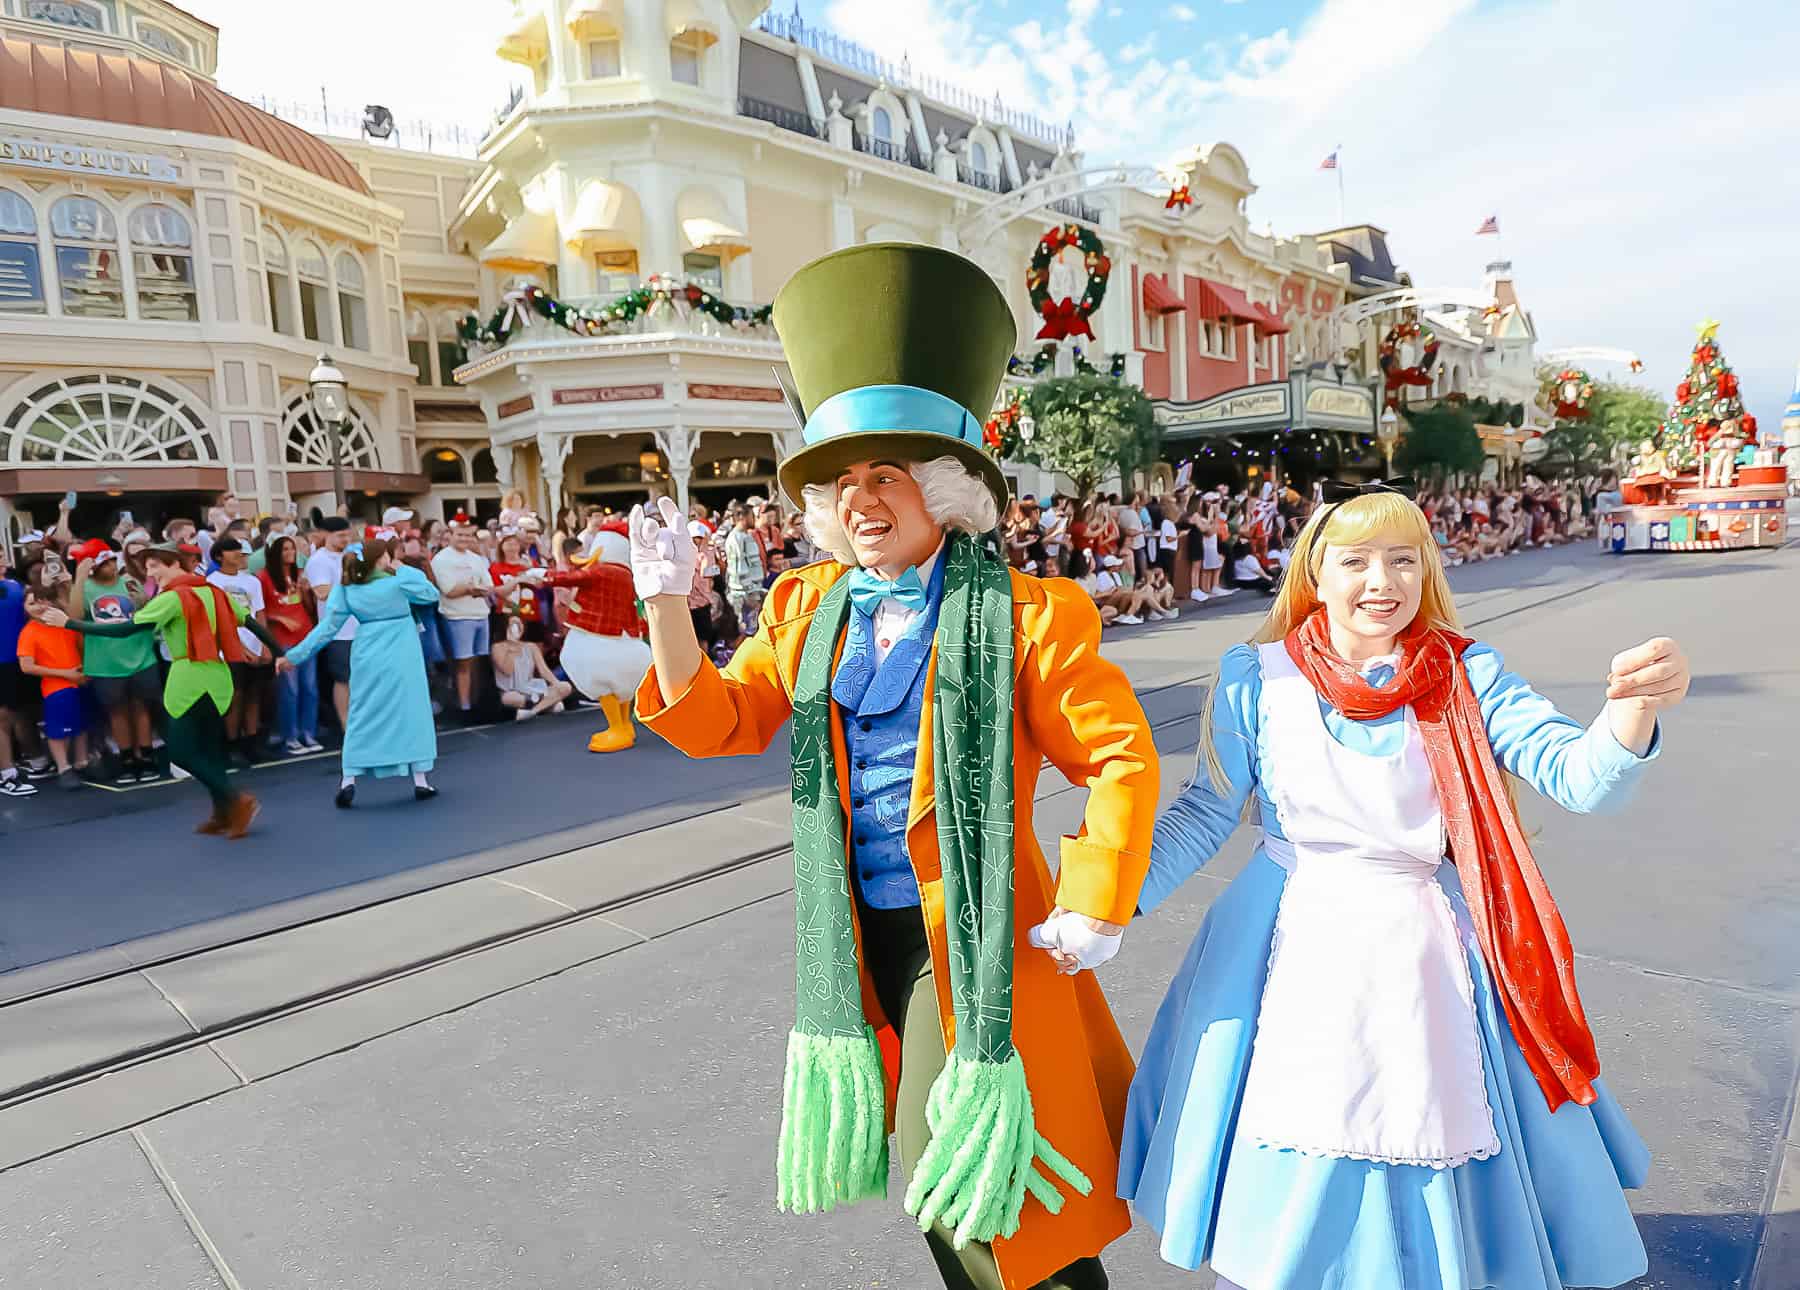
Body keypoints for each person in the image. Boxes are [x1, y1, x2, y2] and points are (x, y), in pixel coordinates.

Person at [629, 243, 1160, 1290]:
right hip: (854, 930)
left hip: (968, 938)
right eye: (845, 481)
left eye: (887, 475)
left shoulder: (1024, 614)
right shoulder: (806, 610)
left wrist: (1098, 893)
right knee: (965, 1189)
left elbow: (1118, 754)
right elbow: (717, 720)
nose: (863, 499)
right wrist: (663, 603)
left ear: (942, 487)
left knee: (963, 1173)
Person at [1117, 478, 1686, 1290]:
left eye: (1401, 561)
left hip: (1422, 942)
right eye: (1355, 561)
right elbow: (1206, 811)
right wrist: (1106, 899)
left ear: (1425, 574)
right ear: (1315, 572)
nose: (1380, 582)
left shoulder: (1468, 674)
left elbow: (1578, 775)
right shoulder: (1255, 676)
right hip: (1285, 931)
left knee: (1428, 1115)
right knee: (1290, 1121)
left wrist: (1633, 711)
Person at [38, 542, 278, 836]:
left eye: (155, 565)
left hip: (189, 679)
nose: (150, 572)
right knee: (209, 750)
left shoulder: (174, 597)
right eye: (148, 566)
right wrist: (281, 653)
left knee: (180, 752)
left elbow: (126, 628)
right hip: (218, 677)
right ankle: (223, 813)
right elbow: (252, 623)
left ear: (175, 562)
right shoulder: (213, 591)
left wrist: (70, 623)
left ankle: (236, 800)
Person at [278, 537, 440, 808]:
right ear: (381, 558)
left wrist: (294, 655)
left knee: (363, 713)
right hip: (402, 654)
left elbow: (327, 628)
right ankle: (421, 780)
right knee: (411, 711)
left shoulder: (347, 590)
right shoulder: (398, 581)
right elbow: (430, 594)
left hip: (367, 653)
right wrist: (403, 568)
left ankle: (348, 780)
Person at [543, 525, 649, 753]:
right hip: (624, 638)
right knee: (621, 686)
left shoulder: (603, 570)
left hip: (599, 637)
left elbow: (572, 577)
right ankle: (625, 726)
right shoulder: (626, 574)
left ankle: (616, 728)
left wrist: (541, 575)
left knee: (603, 683)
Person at [70, 541, 160, 783]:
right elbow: (75, 617)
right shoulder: (85, 588)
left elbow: (148, 614)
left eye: (112, 561)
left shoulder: (129, 582)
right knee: (117, 711)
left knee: (141, 707)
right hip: (105, 662)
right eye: (104, 563)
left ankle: (146, 755)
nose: (111, 566)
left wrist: (144, 601)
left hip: (140, 656)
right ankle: (127, 758)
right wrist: (79, 576)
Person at [432, 517, 519, 721]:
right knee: (463, 662)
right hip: (457, 616)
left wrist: (477, 589)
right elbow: (449, 590)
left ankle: (479, 704)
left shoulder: (476, 558)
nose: (464, 538)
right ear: (450, 535)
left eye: (467, 535)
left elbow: (488, 586)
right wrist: (471, 588)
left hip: (481, 614)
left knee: (479, 661)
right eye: (459, 534)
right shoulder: (442, 559)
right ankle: (464, 707)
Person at [18, 584, 90, 791]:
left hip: (80, 680)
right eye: (32, 603)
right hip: (56, 686)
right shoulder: (29, 632)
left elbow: (81, 645)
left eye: (43, 600)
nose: (39, 606)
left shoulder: (65, 623)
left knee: (81, 724)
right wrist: (66, 674)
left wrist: (84, 669)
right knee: (60, 729)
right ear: (25, 607)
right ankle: (63, 767)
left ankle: (82, 761)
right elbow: (27, 666)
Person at [207, 537, 271, 764]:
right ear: (219, 556)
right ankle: (231, 743)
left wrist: (265, 644)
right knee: (235, 696)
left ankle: (252, 741)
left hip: (254, 643)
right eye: (232, 551)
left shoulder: (252, 581)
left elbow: (259, 613)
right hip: (230, 650)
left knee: (254, 695)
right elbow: (217, 622)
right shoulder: (213, 582)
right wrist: (239, 648)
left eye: (240, 552)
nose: (238, 555)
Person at [259, 535, 321, 755]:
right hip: (283, 640)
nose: (290, 553)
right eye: (285, 549)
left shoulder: (299, 575)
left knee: (310, 688)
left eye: (292, 549)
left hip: (306, 636)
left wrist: (307, 593)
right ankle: (290, 736)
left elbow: (308, 608)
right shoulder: (264, 577)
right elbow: (261, 610)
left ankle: (309, 733)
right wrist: (278, 619)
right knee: (290, 690)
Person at [302, 515, 356, 732]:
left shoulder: (351, 555)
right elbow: (322, 592)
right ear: (326, 535)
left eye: (347, 535)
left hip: (359, 626)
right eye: (340, 535)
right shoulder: (319, 561)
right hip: (338, 630)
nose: (345, 539)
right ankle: (345, 724)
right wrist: (353, 587)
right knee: (343, 679)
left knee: (360, 679)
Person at [0, 545, 46, 797]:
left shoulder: (15, 586)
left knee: (23, 713)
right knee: (3, 717)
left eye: (2, 556)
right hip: (1, 662)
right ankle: (6, 774)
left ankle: (36, 759)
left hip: (18, 659)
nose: (2, 561)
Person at [490, 612, 573, 721]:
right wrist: (512, 648)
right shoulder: (497, 647)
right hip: (511, 690)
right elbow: (508, 670)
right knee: (510, 698)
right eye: (512, 625)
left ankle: (532, 712)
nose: (516, 628)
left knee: (565, 687)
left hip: (531, 687)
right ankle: (547, 704)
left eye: (518, 625)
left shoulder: (531, 646)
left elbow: (544, 670)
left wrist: (557, 685)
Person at [721, 504, 764, 638]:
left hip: (752, 591)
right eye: (752, 516)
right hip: (744, 595)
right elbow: (739, 569)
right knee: (745, 631)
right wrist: (750, 592)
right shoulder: (736, 539)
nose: (754, 519)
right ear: (742, 517)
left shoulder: (745, 536)